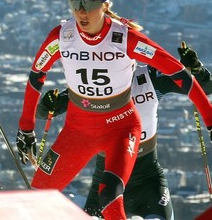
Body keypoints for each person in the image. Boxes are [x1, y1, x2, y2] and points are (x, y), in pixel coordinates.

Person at [15, 0, 212, 220]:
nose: (81, 12)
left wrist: (209, 120)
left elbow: (178, 74)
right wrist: (26, 128)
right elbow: (36, 76)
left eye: (89, 4)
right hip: (77, 131)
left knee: (109, 196)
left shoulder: (125, 38)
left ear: (106, 4)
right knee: (35, 199)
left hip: (120, 129)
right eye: (74, 3)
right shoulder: (61, 37)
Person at [37, 42, 212, 219]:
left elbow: (206, 88)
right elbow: (45, 113)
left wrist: (196, 68)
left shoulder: (150, 77)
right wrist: (47, 104)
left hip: (148, 182)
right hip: (106, 185)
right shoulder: (94, 87)